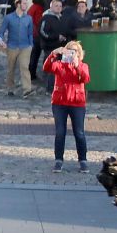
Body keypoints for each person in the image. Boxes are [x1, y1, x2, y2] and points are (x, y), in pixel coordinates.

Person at [43, 40, 90, 173]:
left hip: (77, 102)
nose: (71, 54)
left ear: (79, 54)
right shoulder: (60, 65)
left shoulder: (83, 66)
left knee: (79, 132)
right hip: (60, 102)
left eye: (74, 51)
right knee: (60, 132)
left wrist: (77, 66)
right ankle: (58, 160)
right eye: (69, 51)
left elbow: (86, 78)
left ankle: (83, 160)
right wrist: (53, 54)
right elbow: (46, 68)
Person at [0, 0, 35, 97]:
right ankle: (10, 87)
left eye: (26, 4)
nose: (26, 5)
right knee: (11, 68)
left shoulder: (28, 18)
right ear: (18, 4)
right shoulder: (9, 18)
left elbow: (30, 33)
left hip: (25, 46)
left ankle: (27, 89)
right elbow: (1, 31)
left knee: (24, 67)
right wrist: (2, 42)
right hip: (12, 46)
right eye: (24, 3)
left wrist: (31, 45)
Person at [39, 0, 68, 93]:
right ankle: (49, 88)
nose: (59, 8)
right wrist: (56, 37)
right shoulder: (46, 18)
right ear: (51, 7)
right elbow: (43, 32)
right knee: (51, 69)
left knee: (59, 68)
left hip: (60, 47)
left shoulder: (61, 17)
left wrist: (64, 37)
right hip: (50, 47)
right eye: (56, 6)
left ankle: (56, 87)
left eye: (60, 6)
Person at [27, 0, 46, 82]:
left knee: (32, 55)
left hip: (30, 33)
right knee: (35, 55)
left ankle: (30, 73)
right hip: (35, 34)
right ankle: (31, 74)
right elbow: (39, 22)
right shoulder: (39, 8)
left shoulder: (32, 7)